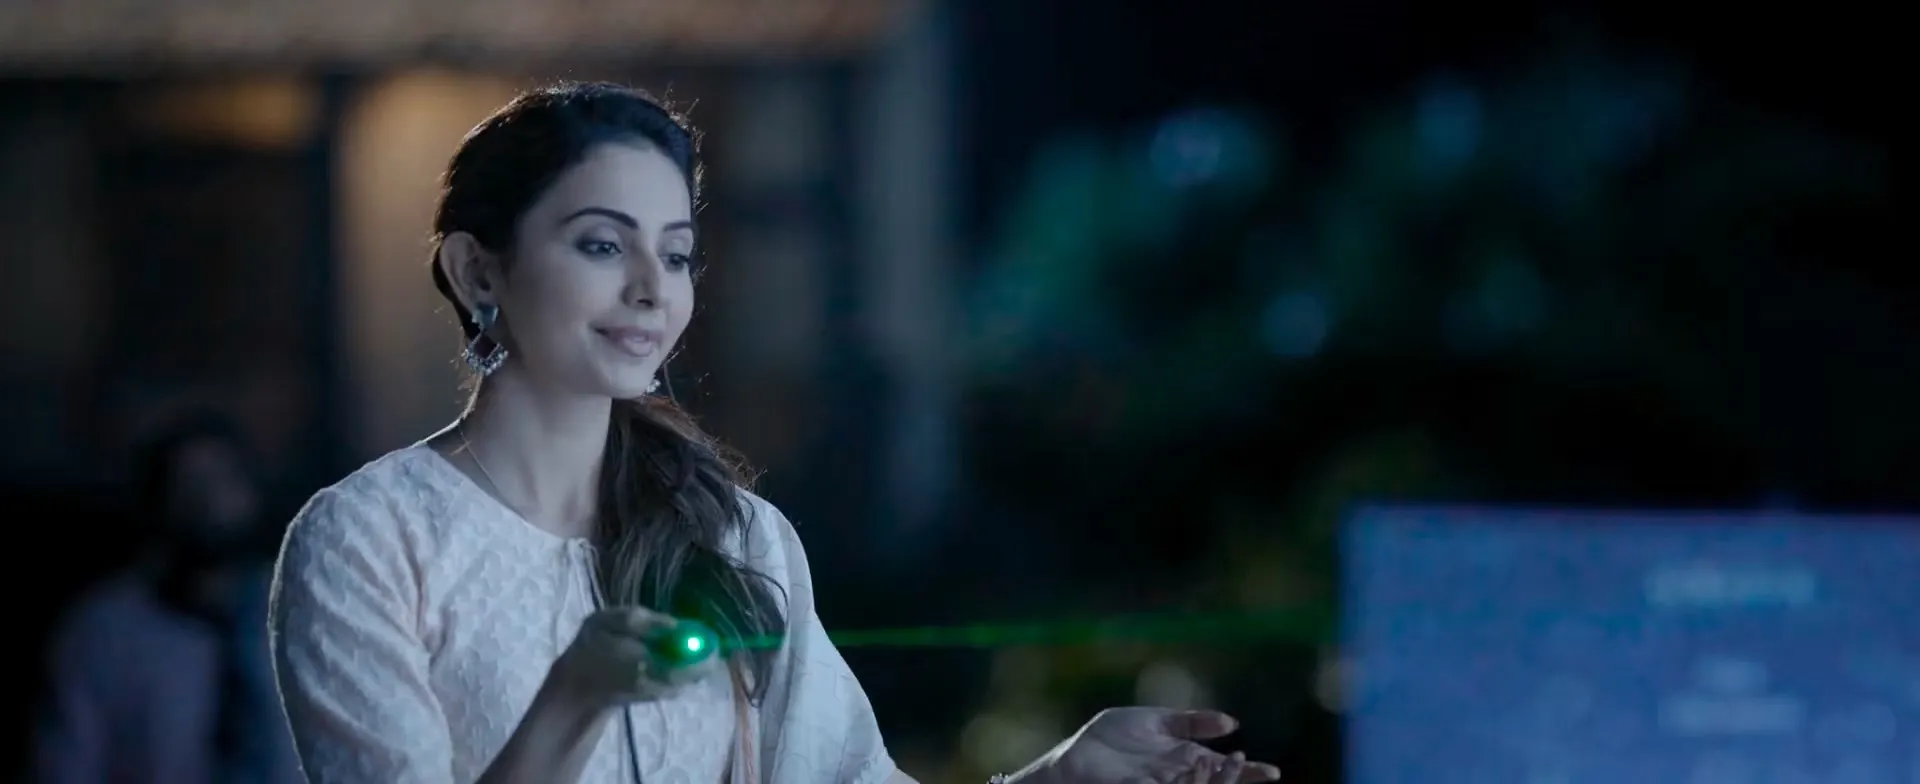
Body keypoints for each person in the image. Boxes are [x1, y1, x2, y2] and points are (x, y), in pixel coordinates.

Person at [269, 82, 1282, 784]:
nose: (651, 290)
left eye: (676, 255)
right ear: (476, 270)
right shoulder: (366, 540)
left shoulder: (733, 533)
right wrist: (571, 701)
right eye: (601, 245)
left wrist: (1056, 775)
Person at [36, 411, 303, 784]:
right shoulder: (104, 630)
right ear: (158, 502)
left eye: (224, 479)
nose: (208, 500)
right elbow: (68, 763)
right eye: (188, 484)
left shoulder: (306, 609)